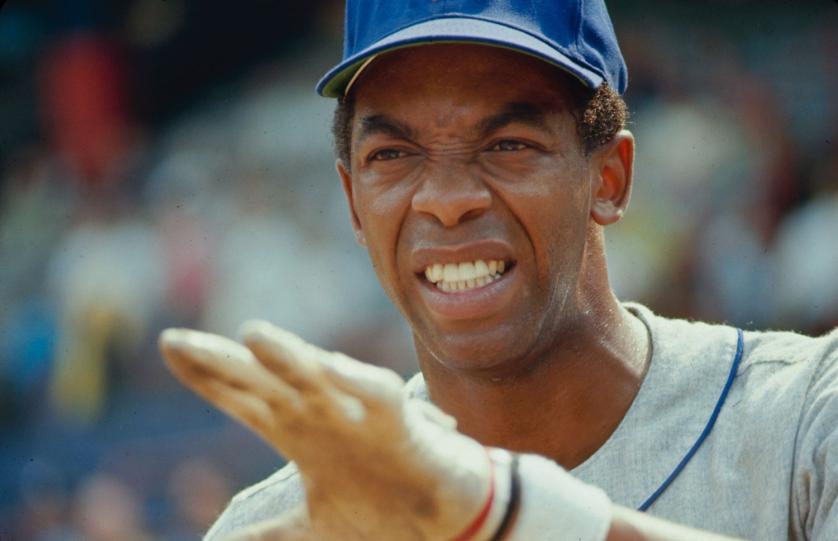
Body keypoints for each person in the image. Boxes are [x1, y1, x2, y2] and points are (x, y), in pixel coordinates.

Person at [158, 1, 838, 539]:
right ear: (353, 202)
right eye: (393, 155)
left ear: (610, 178)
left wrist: (502, 513)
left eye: (509, 143)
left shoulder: (802, 417)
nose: (447, 200)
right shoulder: (289, 526)